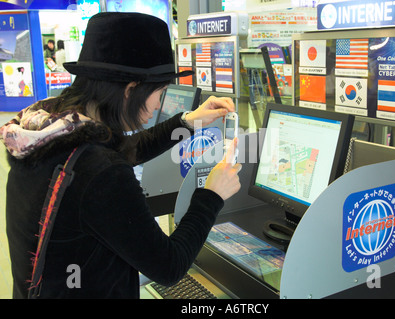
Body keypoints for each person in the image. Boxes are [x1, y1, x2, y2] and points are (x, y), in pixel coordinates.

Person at [0, 12, 241, 299]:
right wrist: (211, 195)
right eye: (159, 92)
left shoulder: (50, 129)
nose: (157, 105)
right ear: (131, 90)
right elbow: (169, 266)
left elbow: (119, 151)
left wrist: (187, 121)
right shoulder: (100, 173)